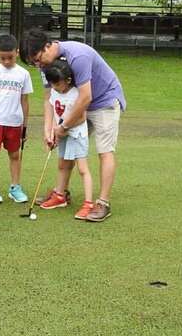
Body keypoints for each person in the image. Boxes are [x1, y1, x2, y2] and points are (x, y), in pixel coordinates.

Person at [20, 29, 126, 222]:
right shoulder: (45, 67)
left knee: (105, 151)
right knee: (67, 148)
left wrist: (64, 126)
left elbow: (86, 97)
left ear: (47, 46)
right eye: (33, 62)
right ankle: (60, 194)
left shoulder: (78, 56)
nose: (38, 65)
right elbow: (49, 98)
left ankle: (102, 203)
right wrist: (49, 129)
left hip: (104, 102)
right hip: (75, 104)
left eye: (38, 58)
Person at [0, 34, 32, 204]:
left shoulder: (23, 74)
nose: (7, 61)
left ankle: (15, 187)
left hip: (15, 123)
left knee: (15, 155)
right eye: (3, 58)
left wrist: (24, 126)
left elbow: (24, 101)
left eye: (10, 57)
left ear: (17, 52)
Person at [39, 60, 94, 220]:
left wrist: (63, 128)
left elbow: (82, 118)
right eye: (52, 85)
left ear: (68, 80)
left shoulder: (77, 93)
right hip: (62, 134)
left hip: (77, 134)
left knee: (82, 169)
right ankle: (60, 196)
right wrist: (52, 132)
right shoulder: (55, 92)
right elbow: (56, 113)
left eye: (57, 84)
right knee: (62, 165)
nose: (55, 88)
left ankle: (88, 204)